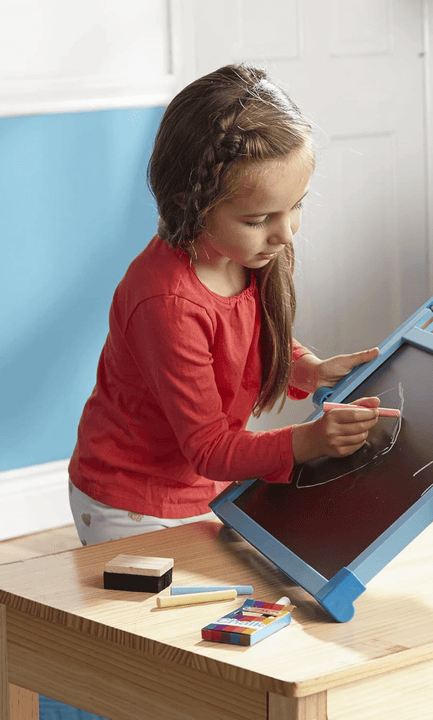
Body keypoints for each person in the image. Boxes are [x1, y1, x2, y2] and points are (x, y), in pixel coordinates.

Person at [68, 63, 381, 545]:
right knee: (161, 620)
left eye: (295, 206)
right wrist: (307, 442)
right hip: (130, 501)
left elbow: (250, 335)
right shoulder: (167, 302)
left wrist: (309, 370)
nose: (286, 231)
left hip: (204, 485)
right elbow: (209, 447)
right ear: (190, 203)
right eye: (259, 218)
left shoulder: (248, 251)